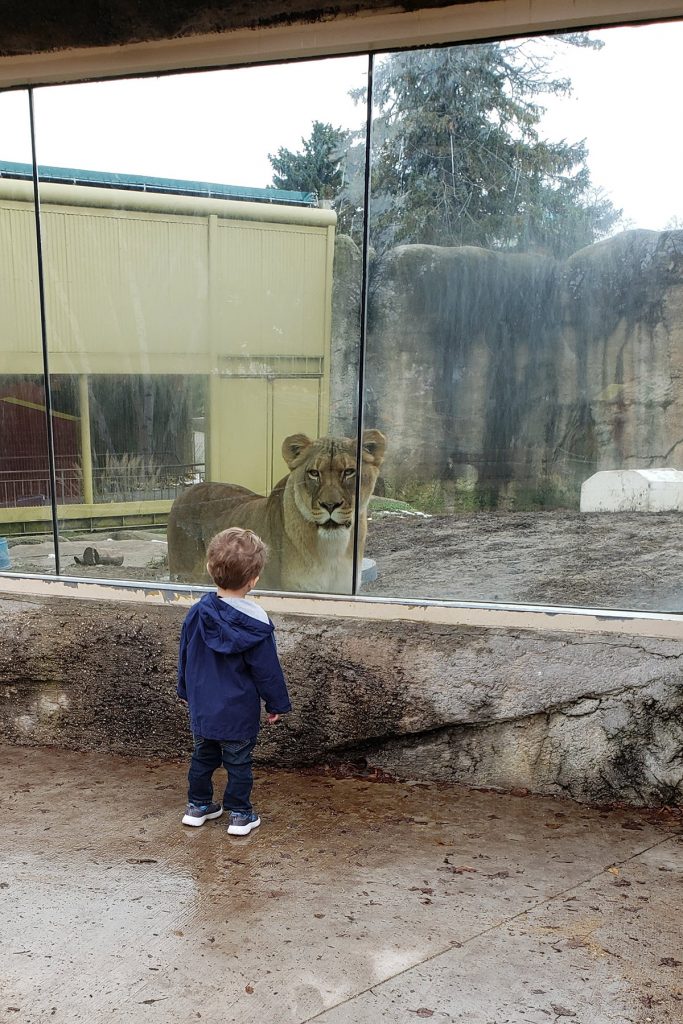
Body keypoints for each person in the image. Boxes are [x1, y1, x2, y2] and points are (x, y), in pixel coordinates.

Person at [177, 527, 292, 836]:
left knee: (203, 756)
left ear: (210, 569)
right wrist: (276, 703)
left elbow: (185, 655)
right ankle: (240, 815)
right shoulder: (257, 624)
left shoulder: (196, 614)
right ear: (254, 580)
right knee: (238, 763)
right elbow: (267, 670)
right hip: (238, 713)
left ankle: (197, 806)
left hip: (203, 709)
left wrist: (184, 690)